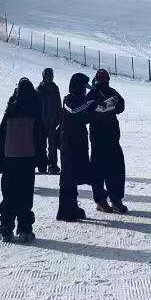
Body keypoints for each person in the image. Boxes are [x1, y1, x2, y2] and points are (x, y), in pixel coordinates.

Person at [0, 78, 46, 242]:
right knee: (25, 195)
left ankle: (6, 228)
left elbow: (1, 137)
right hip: (27, 158)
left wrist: (0, 162)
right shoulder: (34, 109)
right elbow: (40, 137)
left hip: (10, 158)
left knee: (9, 194)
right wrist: (42, 160)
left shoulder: (11, 109)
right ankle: (24, 229)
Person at [57, 73, 97, 220]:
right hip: (68, 143)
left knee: (73, 177)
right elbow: (74, 110)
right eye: (83, 87)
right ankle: (65, 211)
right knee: (67, 177)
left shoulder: (80, 100)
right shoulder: (69, 99)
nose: (85, 91)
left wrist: (94, 106)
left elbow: (84, 117)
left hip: (77, 143)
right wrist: (90, 101)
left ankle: (72, 206)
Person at [88, 69, 127, 213]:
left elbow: (121, 105)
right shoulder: (92, 94)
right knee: (101, 171)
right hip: (99, 138)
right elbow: (87, 111)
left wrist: (111, 104)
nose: (104, 83)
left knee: (114, 170)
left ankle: (114, 200)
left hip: (110, 138)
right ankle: (102, 200)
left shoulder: (110, 92)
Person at [37, 67, 62, 175]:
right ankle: (43, 164)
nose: (50, 77)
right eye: (48, 75)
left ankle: (52, 165)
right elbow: (36, 105)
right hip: (42, 121)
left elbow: (58, 104)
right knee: (42, 144)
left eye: (51, 75)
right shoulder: (40, 88)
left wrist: (58, 118)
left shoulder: (55, 88)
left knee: (52, 145)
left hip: (52, 121)